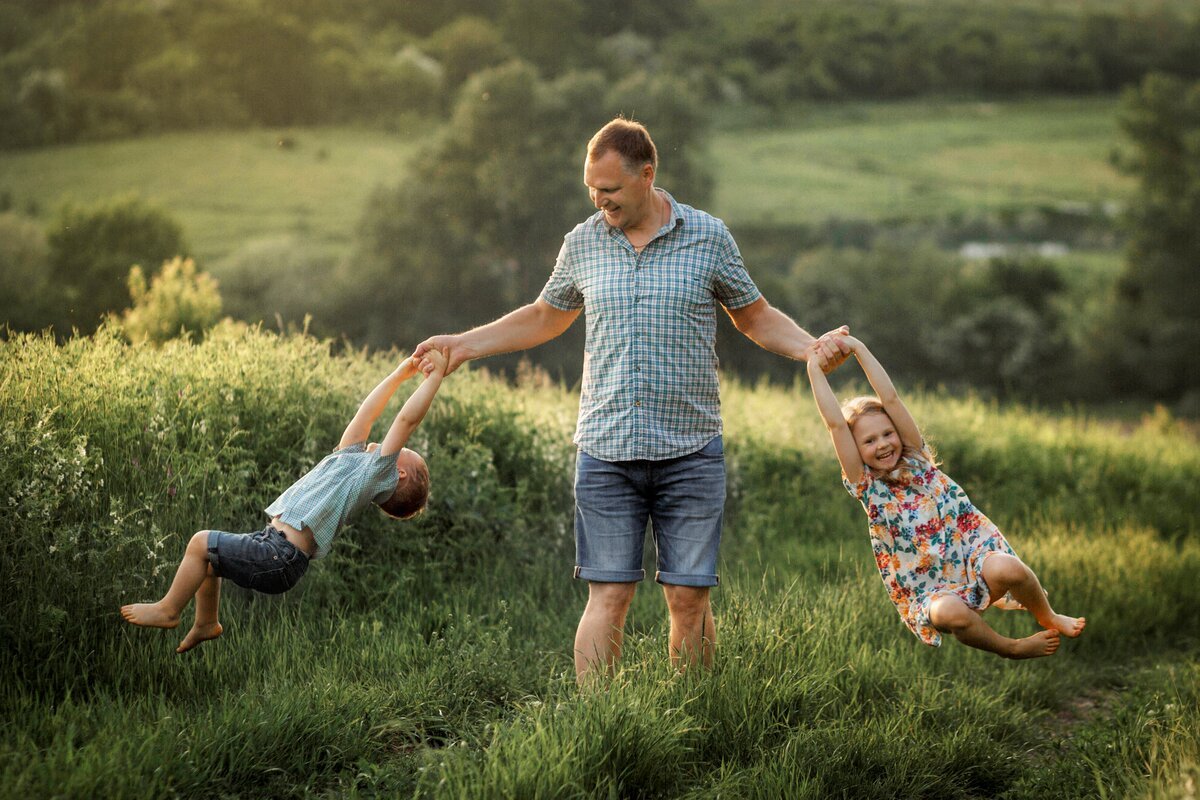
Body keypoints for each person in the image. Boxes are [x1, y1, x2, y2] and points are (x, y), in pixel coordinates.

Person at [414, 116, 850, 682]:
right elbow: (545, 317)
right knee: (609, 595)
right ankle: (601, 726)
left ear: (648, 175)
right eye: (592, 189)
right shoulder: (584, 242)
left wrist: (811, 349)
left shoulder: (708, 237)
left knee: (688, 599)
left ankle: (695, 718)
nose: (601, 201)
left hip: (690, 450)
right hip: (606, 450)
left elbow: (755, 317)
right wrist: (462, 346)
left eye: (612, 190)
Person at [120, 348, 448, 653]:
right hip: (273, 545)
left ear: (398, 474)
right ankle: (206, 623)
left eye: (404, 452)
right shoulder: (351, 461)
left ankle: (168, 610)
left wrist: (435, 377)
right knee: (209, 561)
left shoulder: (375, 475)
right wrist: (399, 374)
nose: (396, 446)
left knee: (200, 542)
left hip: (281, 556)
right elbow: (367, 413)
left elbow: (406, 420)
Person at [805, 332, 1086, 659]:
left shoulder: (918, 460)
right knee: (952, 615)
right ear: (856, 450)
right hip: (929, 589)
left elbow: (891, 398)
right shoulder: (867, 486)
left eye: (887, 433)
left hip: (971, 554)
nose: (882, 444)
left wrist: (858, 348)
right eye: (869, 441)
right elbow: (836, 425)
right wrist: (814, 367)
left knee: (1011, 569)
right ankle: (1012, 647)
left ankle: (1047, 614)